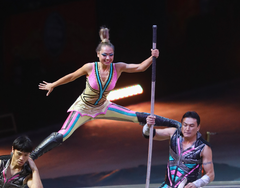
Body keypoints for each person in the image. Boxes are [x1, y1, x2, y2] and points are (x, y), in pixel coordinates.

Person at [30, 26, 180, 160]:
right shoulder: (89, 67)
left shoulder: (118, 67)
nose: (108, 58)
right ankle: (32, 157)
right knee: (62, 134)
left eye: (111, 55)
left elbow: (140, 67)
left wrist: (153, 57)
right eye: (104, 55)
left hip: (103, 107)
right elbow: (71, 76)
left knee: (136, 116)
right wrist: (53, 85)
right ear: (97, 54)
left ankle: (175, 124)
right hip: (83, 108)